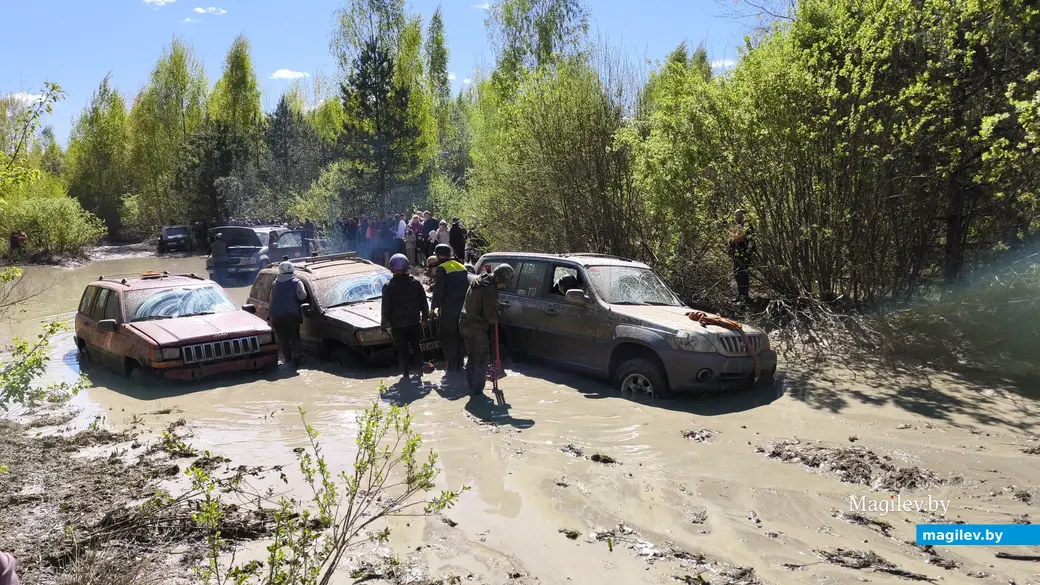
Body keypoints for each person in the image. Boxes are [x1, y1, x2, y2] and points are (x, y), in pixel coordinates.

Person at [460, 264, 514, 395]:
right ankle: (478, 392)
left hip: (464, 322)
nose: (504, 287)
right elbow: (490, 317)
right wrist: (497, 314)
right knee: (482, 358)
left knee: (472, 356)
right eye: (504, 284)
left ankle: (472, 387)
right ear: (499, 279)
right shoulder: (490, 290)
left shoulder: (479, 280)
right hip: (476, 327)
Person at [380, 254, 430, 383]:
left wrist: (384, 325)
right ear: (407, 267)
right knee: (416, 347)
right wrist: (425, 318)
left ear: (391, 268)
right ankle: (419, 373)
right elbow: (424, 303)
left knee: (402, 351)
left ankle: (406, 375)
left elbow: (385, 308)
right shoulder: (415, 283)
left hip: (397, 325)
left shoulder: (388, 286)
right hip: (414, 322)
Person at [431, 244, 470, 373]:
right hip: (463, 309)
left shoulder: (442, 268)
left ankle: (451, 367)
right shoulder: (462, 267)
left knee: (448, 337)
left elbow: (439, 291)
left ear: (438, 255)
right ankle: (460, 365)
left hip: (448, 309)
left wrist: (433, 308)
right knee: (460, 337)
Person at [270, 261, 308, 367]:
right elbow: (302, 296)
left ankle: (288, 361)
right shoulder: (297, 282)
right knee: (295, 337)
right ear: (292, 269)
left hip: (275, 316)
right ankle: (296, 359)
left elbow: (272, 298)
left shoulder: (275, 283)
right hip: (291, 315)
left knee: (284, 339)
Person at [727, 208, 756, 301]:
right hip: (736, 254)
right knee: (737, 274)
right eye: (736, 215)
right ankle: (740, 295)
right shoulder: (735, 227)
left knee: (743, 274)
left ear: (744, 216)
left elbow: (751, 241)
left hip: (744, 254)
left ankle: (745, 295)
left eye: (740, 215)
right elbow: (731, 240)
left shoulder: (748, 227)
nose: (737, 217)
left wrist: (748, 252)